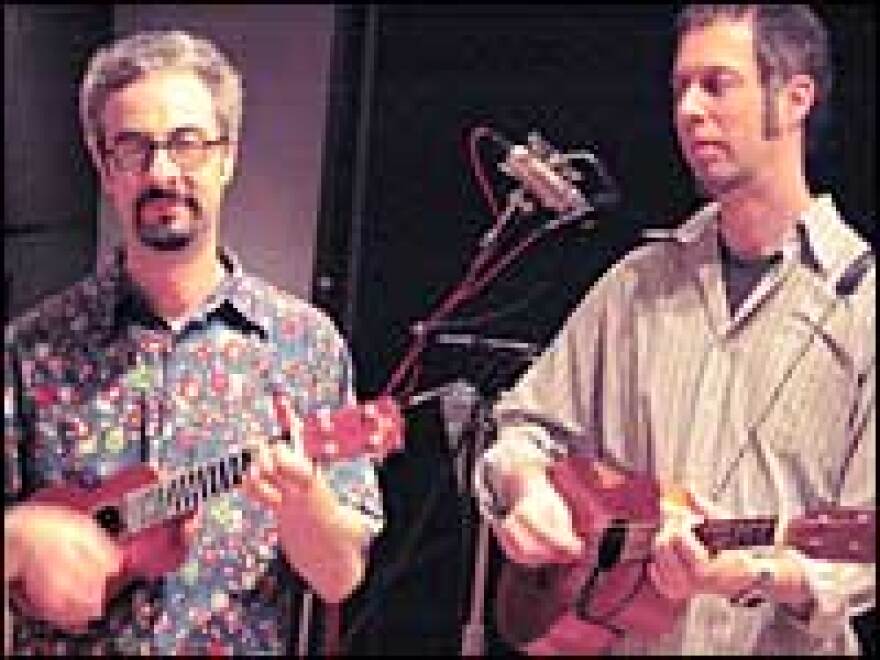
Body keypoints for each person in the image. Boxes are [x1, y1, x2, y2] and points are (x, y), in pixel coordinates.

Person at [476, 4, 874, 655]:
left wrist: (755, 574)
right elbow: (525, 425)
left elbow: (859, 554)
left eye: (717, 84)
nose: (689, 110)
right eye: (680, 88)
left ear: (795, 97)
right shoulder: (636, 284)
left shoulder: (864, 308)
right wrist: (527, 490)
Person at [4, 30, 384, 654]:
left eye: (187, 143)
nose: (162, 172)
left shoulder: (304, 346)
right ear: (104, 166)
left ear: (226, 157)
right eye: (134, 147)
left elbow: (338, 578)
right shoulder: (31, 350)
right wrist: (17, 538)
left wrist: (303, 502)